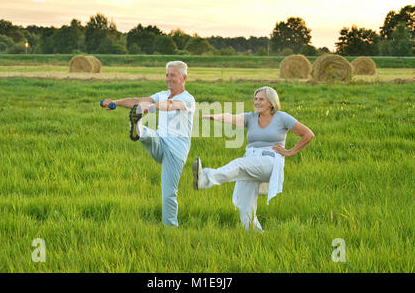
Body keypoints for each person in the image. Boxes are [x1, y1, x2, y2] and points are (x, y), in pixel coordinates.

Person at [192, 86, 314, 232]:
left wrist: (290, 152)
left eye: (261, 99)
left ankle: (205, 178)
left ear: (271, 102)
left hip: (269, 160)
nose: (256, 102)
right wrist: (215, 117)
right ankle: (256, 235)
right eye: (255, 99)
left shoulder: (282, 117)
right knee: (244, 204)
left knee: (238, 164)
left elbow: (308, 134)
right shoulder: (251, 117)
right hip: (251, 158)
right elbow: (232, 117)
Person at [101, 61, 195, 227]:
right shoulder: (162, 94)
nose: (168, 78)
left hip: (176, 152)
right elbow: (137, 100)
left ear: (184, 77)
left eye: (172, 75)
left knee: (168, 194)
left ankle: (170, 229)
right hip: (160, 141)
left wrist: (151, 107)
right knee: (148, 134)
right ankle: (137, 128)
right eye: (167, 74)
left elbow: (172, 105)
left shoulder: (187, 99)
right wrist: (115, 102)